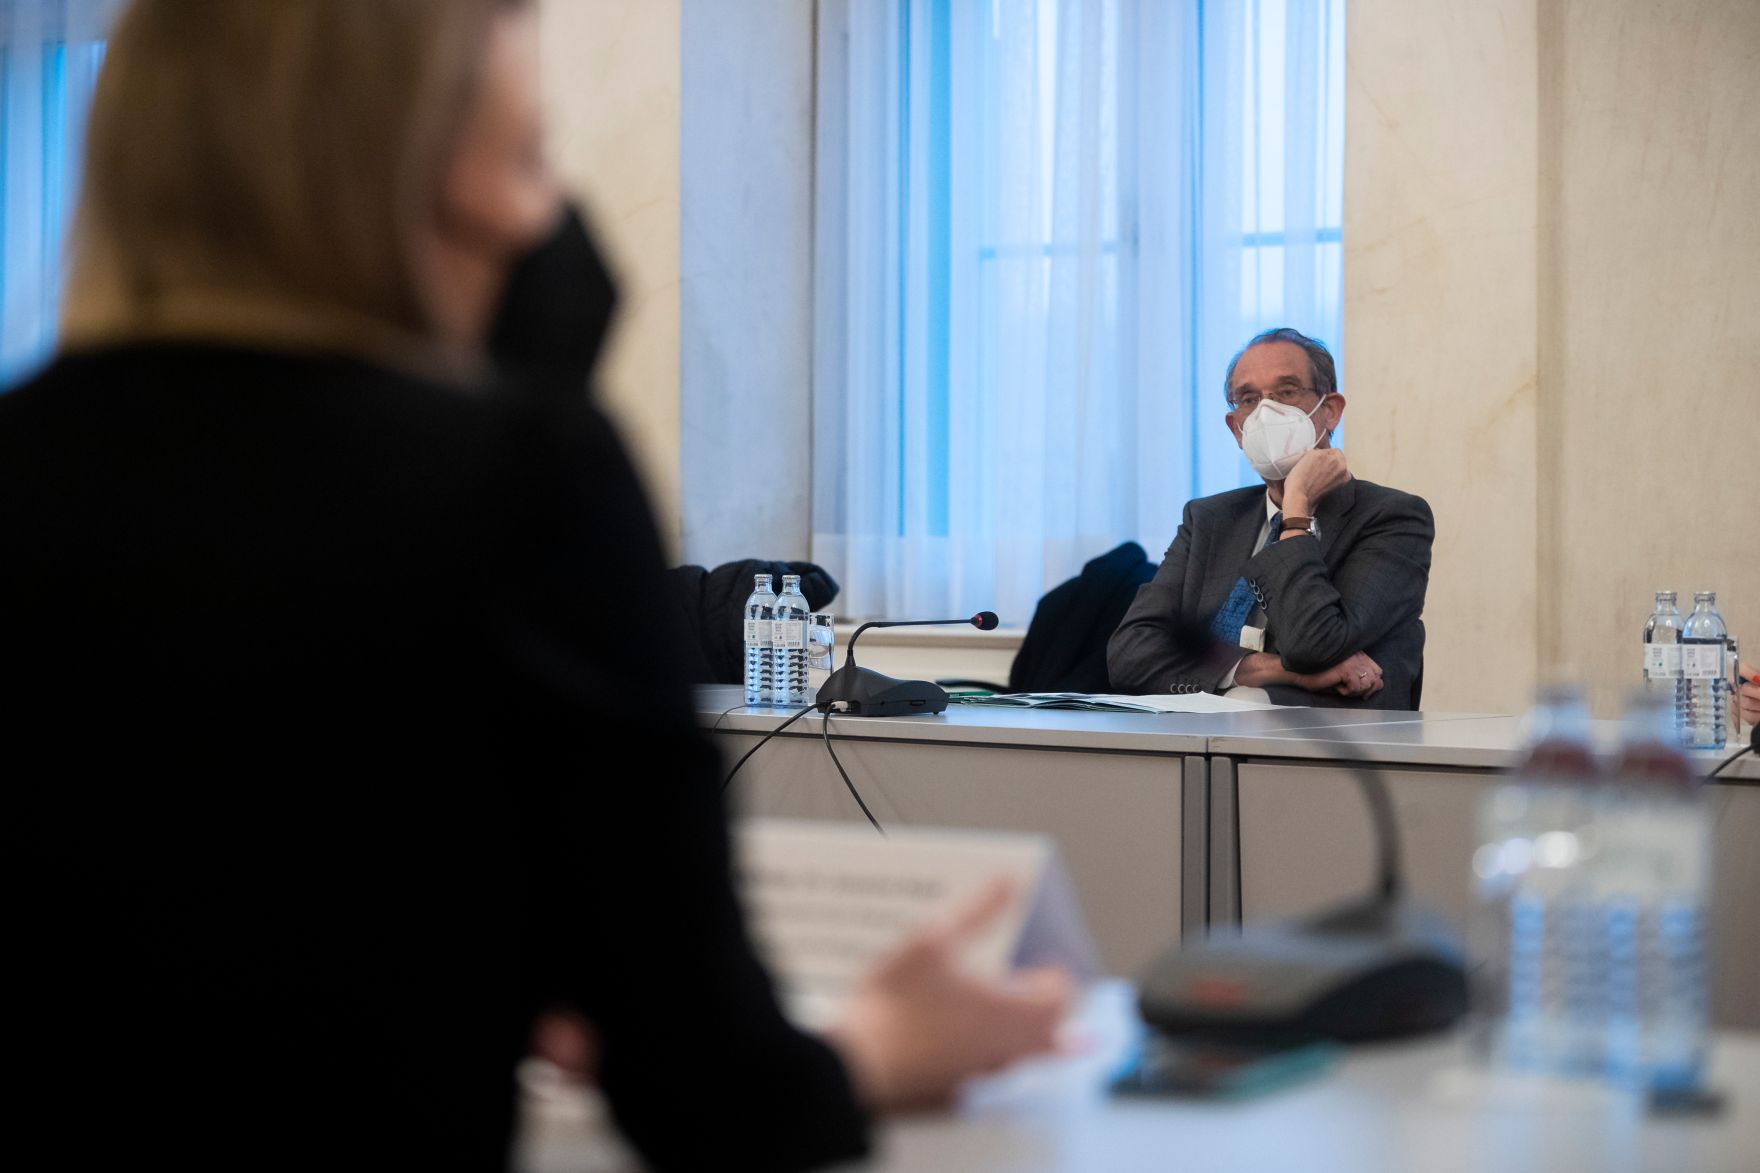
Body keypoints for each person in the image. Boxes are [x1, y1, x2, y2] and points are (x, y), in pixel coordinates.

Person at [0, 2, 1066, 1170]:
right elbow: (706, 1094)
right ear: (430, 176)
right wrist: (878, 1043)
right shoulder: (517, 482)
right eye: (529, 159)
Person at [1108, 328, 1434, 709]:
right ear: (1235, 428)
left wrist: (1296, 511)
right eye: (1249, 398)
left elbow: (1315, 645)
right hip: (1206, 744)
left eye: (1287, 392)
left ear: (1330, 411)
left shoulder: (1392, 517)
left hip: (1327, 751)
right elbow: (1129, 653)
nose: (1267, 412)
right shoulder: (1209, 519)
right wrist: (1270, 669)